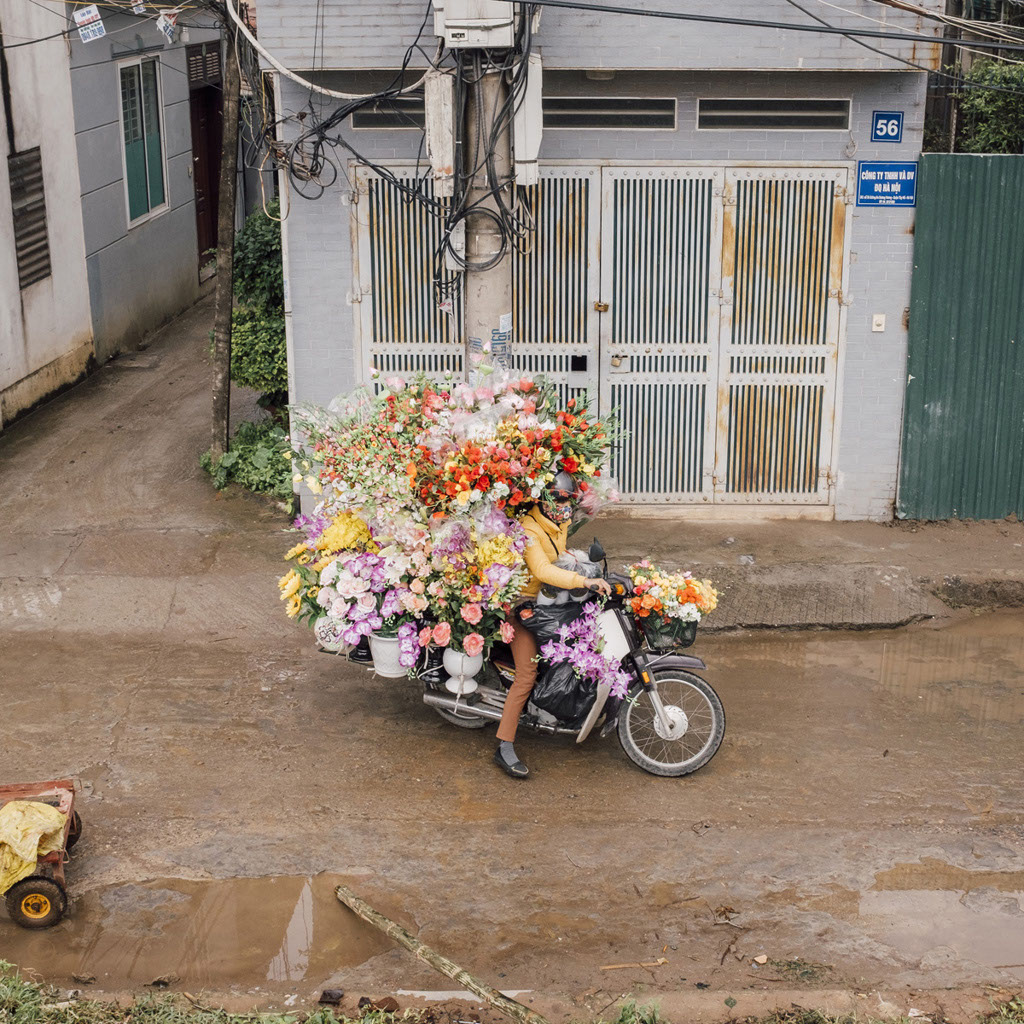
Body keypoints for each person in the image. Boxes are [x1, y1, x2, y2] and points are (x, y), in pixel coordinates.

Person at [494, 472, 611, 779]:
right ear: (543, 500)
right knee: (527, 673)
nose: (563, 506)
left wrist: (586, 567)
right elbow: (543, 570)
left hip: (545, 603)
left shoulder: (559, 523)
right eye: (557, 499)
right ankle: (504, 745)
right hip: (521, 607)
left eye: (567, 500)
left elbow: (559, 557)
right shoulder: (529, 529)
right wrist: (583, 581)